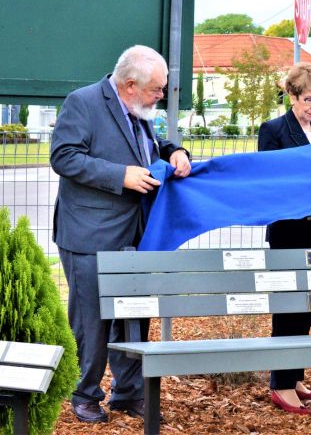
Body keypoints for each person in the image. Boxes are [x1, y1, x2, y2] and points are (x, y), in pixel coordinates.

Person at [50, 45, 191, 423]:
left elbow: (149, 147)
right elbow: (63, 156)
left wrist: (175, 150)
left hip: (135, 234)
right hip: (88, 235)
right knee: (91, 321)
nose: (161, 96)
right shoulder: (82, 102)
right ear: (130, 85)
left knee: (134, 316)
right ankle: (84, 394)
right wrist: (120, 175)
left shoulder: (138, 110)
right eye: (156, 90)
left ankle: (128, 394)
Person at [258, 62, 311, 415]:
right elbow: (270, 178)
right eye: (309, 99)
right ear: (292, 94)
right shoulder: (273, 130)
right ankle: (281, 384)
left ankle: (295, 376)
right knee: (289, 308)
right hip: (289, 232)